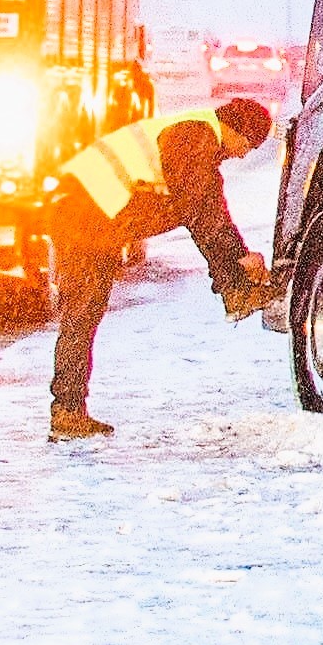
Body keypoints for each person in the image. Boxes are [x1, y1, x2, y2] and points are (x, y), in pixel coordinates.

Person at [40, 85, 276, 438]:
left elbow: (210, 209)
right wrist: (237, 262)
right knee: (81, 313)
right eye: (248, 146)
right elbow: (202, 212)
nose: (244, 156)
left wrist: (237, 258)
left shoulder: (198, 139)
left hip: (91, 214)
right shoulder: (193, 136)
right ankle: (67, 412)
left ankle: (69, 410)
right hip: (84, 213)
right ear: (236, 130)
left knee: (85, 315)